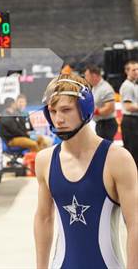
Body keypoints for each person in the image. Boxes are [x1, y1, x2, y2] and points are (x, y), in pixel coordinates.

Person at [34, 74, 137, 268]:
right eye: (52, 111)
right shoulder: (45, 160)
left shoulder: (117, 159)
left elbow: (134, 224)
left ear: (85, 110)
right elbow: (44, 218)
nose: (58, 119)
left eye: (66, 110)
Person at [84, 64, 118, 140]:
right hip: (101, 123)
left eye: (87, 75)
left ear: (94, 75)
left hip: (107, 124)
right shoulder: (95, 87)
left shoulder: (105, 88)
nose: (85, 78)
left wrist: (94, 111)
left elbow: (110, 108)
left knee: (105, 149)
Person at [119, 60, 138, 166]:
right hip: (131, 122)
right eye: (133, 70)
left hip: (134, 121)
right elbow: (129, 106)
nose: (136, 72)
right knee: (133, 151)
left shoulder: (134, 85)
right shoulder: (127, 86)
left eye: (137, 69)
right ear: (127, 71)